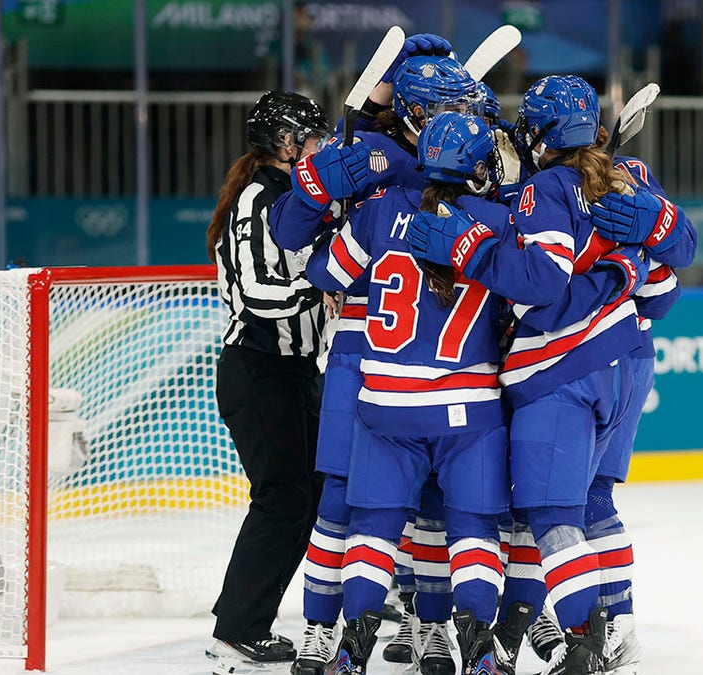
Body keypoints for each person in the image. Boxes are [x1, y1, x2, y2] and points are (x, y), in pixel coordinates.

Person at [407, 75, 667, 675]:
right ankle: (620, 629)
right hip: (627, 359)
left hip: (561, 370)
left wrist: (470, 248)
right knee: (592, 498)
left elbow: (545, 286)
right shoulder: (630, 180)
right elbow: (664, 284)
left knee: (548, 517)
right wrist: (621, 275)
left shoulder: (542, 189)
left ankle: (582, 640)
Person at [305, 111, 514, 675]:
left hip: (383, 404)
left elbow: (325, 274)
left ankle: (352, 645)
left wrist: (341, 214)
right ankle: (477, 646)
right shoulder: (498, 220)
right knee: (471, 530)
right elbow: (527, 297)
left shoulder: (377, 212)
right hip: (467, 410)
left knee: (371, 530)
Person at [204, 90, 329, 672]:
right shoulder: (258, 195)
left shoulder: (297, 194)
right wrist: (326, 286)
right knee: (283, 500)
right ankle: (236, 631)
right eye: (311, 136)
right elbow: (257, 295)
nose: (321, 145)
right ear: (285, 143)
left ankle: (247, 619)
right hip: (258, 372)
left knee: (315, 497)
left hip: (296, 371)